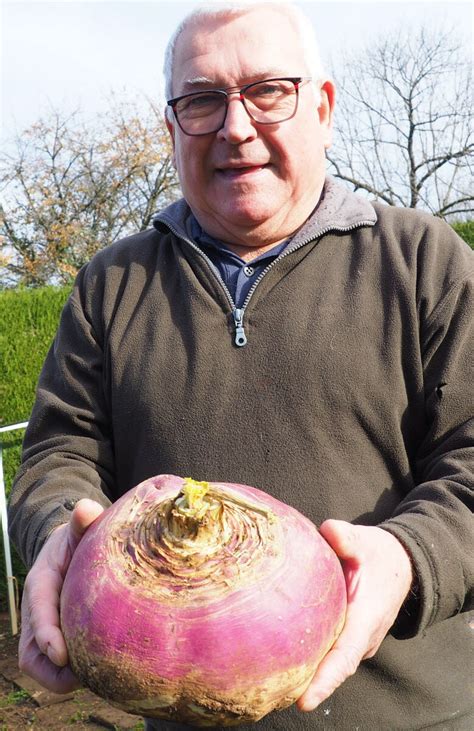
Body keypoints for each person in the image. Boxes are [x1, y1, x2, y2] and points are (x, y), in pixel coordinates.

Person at [8, 3, 473, 730]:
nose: (234, 126)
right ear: (170, 129)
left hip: (415, 716)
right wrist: (58, 535)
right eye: (201, 100)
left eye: (267, 91)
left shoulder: (426, 262)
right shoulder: (110, 285)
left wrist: (410, 555)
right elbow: (57, 453)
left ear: (321, 106)